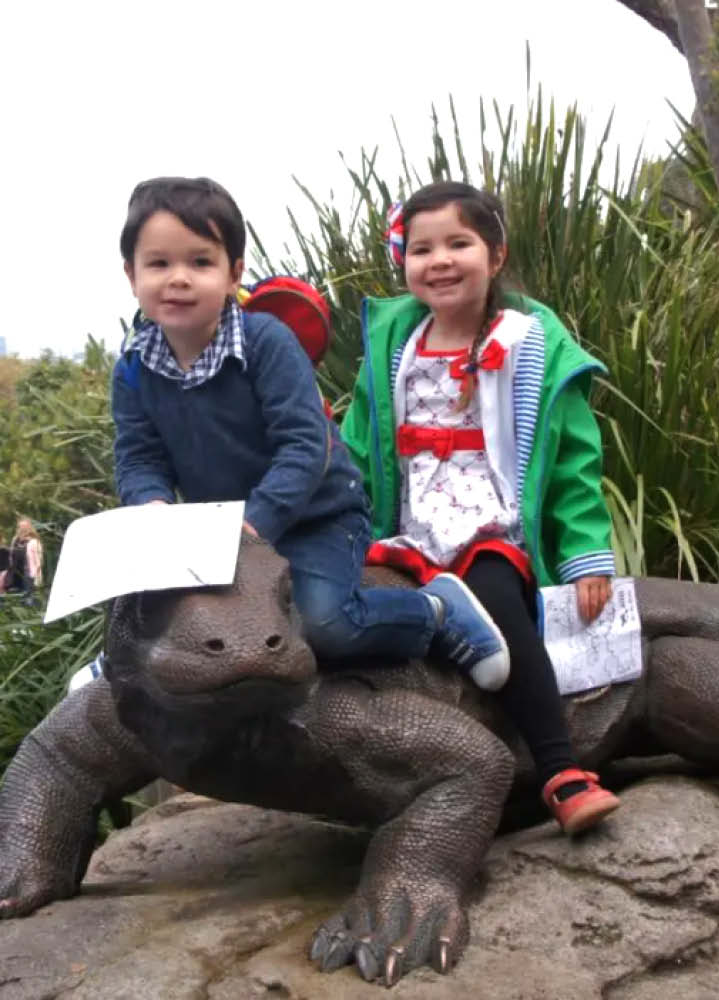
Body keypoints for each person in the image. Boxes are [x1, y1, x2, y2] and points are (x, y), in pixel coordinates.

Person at [111, 176, 511, 691]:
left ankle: (434, 612)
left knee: (325, 625)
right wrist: (150, 502)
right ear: (131, 274)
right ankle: (115, 675)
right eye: (159, 264)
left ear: (234, 273)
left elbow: (305, 446)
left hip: (315, 515)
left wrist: (256, 524)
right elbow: (139, 456)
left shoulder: (265, 343)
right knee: (177, 626)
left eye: (200, 262)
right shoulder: (132, 369)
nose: (179, 279)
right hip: (216, 535)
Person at [341, 181, 621, 834]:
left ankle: (560, 771)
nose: (438, 260)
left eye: (457, 243)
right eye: (420, 249)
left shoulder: (529, 343)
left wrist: (586, 556)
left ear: (494, 254)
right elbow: (357, 445)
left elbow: (577, 462)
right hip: (409, 530)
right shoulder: (393, 348)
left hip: (491, 523)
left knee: (500, 602)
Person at [8, 518, 43, 604]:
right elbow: (11, 555)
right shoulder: (15, 540)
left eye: (25, 527)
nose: (22, 529)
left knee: (28, 601)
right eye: (21, 527)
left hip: (29, 575)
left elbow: (39, 561)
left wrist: (36, 577)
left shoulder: (34, 541)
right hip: (16, 575)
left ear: (29, 528)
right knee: (15, 601)